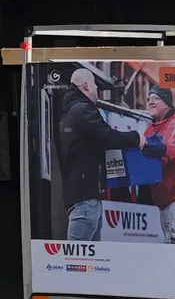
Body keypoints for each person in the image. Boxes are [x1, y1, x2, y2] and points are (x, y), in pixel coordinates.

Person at [58, 68, 145, 241]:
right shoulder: (84, 111)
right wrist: (136, 138)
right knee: (77, 259)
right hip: (86, 199)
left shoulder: (68, 114)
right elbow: (107, 136)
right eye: (94, 84)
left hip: (81, 197)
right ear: (85, 86)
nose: (97, 88)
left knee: (90, 262)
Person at [139, 85, 175, 244]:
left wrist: (165, 149)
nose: (150, 102)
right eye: (149, 99)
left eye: (156, 98)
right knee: (171, 245)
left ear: (167, 103)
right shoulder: (150, 130)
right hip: (162, 200)